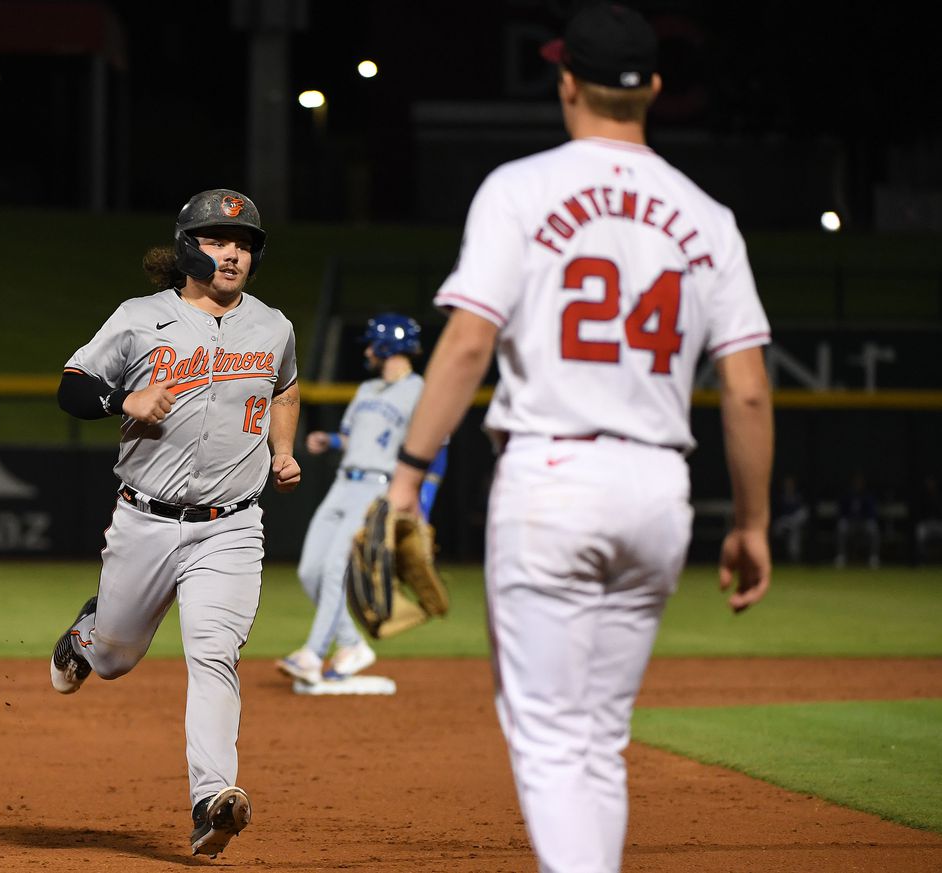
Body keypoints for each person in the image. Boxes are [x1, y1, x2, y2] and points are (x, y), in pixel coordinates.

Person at [384, 4, 774, 872]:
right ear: (656, 90)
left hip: (551, 478)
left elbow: (470, 340)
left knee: (553, 740)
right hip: (659, 492)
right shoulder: (707, 216)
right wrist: (750, 523)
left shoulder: (520, 189)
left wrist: (408, 472)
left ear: (566, 82)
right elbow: (745, 391)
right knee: (598, 736)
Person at [50, 188, 301, 859]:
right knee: (115, 657)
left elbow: (285, 385)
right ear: (190, 245)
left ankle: (212, 799)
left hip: (233, 526)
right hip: (147, 521)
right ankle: (86, 634)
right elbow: (71, 383)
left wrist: (282, 448)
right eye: (221, 240)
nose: (234, 254)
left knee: (214, 653)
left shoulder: (273, 327)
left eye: (245, 243)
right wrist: (119, 397)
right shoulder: (140, 319)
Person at [277, 313, 447, 685]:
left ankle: (313, 653)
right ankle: (353, 645)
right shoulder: (367, 390)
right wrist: (331, 441)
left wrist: (424, 502)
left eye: (373, 343)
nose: (368, 350)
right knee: (310, 571)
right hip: (343, 483)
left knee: (338, 565)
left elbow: (438, 448)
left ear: (389, 345)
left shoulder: (421, 390)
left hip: (379, 488)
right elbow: (356, 438)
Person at [834, 471, 880, 569]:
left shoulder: (867, 495)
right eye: (856, 482)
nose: (858, 484)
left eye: (860, 482)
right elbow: (841, 511)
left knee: (873, 527)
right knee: (842, 526)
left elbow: (872, 513)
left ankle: (873, 558)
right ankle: (841, 556)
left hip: (864, 523)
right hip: (850, 522)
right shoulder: (847, 494)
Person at [771, 474, 810, 562]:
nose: (789, 485)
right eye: (787, 484)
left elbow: (803, 513)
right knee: (778, 529)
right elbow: (777, 513)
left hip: (795, 523)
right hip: (783, 522)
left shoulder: (798, 496)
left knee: (795, 531)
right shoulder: (780, 497)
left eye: (791, 484)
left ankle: (794, 558)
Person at [913, 474, 942, 563]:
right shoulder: (922, 497)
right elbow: (918, 512)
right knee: (919, 534)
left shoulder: (939, 496)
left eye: (932, 483)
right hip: (926, 523)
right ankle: (922, 559)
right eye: (928, 483)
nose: (930, 484)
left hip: (938, 523)